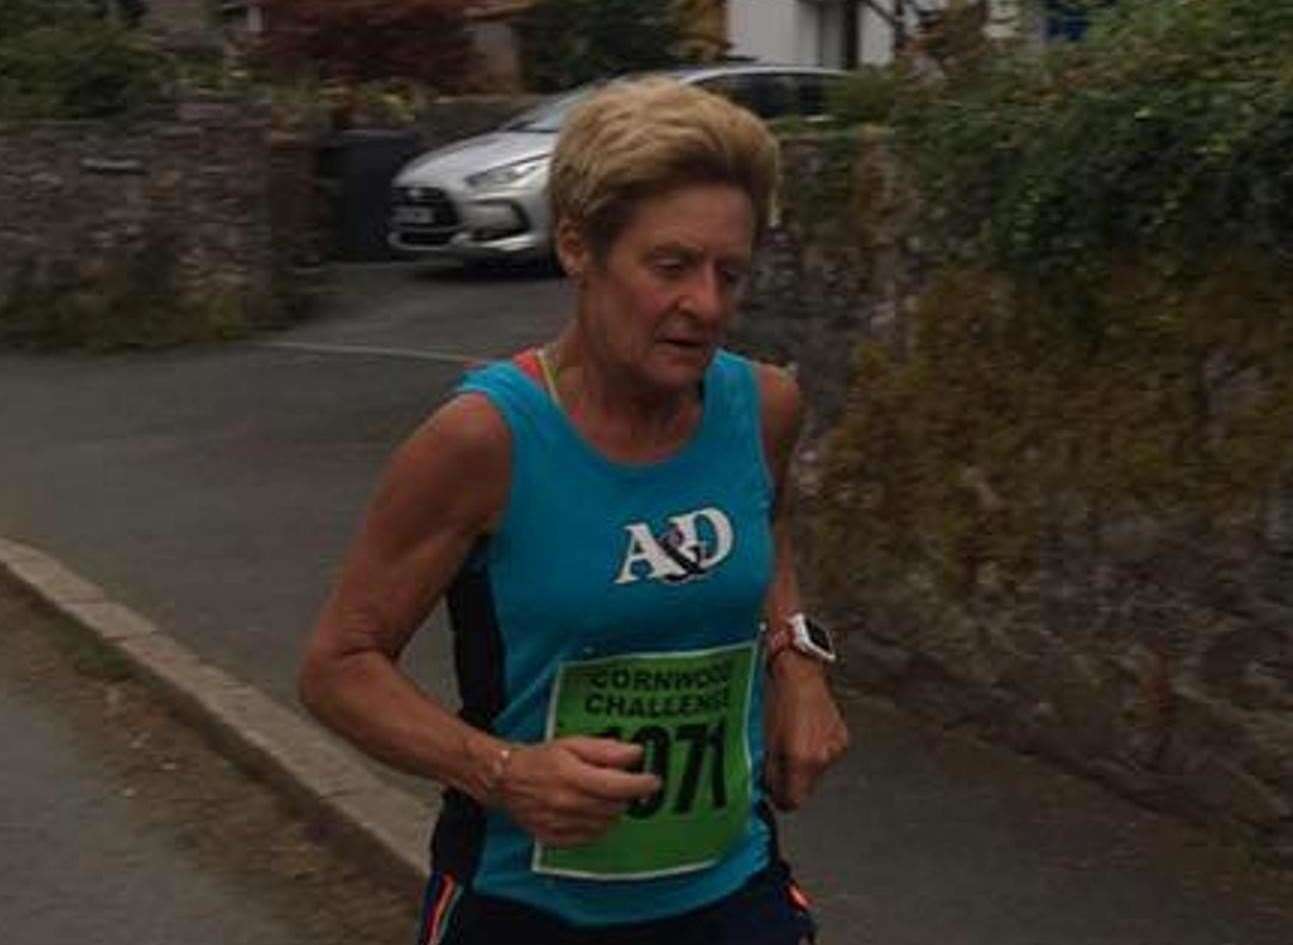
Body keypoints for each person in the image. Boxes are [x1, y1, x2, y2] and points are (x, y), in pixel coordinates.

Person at [298, 77, 850, 945]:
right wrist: (505, 771)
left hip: (730, 892)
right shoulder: (483, 441)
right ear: (577, 247)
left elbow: (766, 522)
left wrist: (796, 657)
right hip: (528, 909)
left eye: (728, 273)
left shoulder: (764, 407)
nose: (705, 305)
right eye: (669, 266)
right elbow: (338, 666)